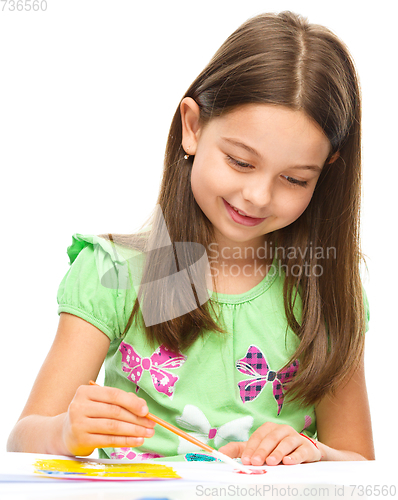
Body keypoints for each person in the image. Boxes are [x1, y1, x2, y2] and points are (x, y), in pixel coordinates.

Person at [7, 10, 375, 465]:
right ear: (193, 127)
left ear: (326, 173)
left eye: (295, 179)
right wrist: (64, 432)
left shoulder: (324, 291)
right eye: (241, 161)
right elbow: (23, 440)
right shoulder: (114, 272)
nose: (257, 196)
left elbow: (359, 464)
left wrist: (318, 455)